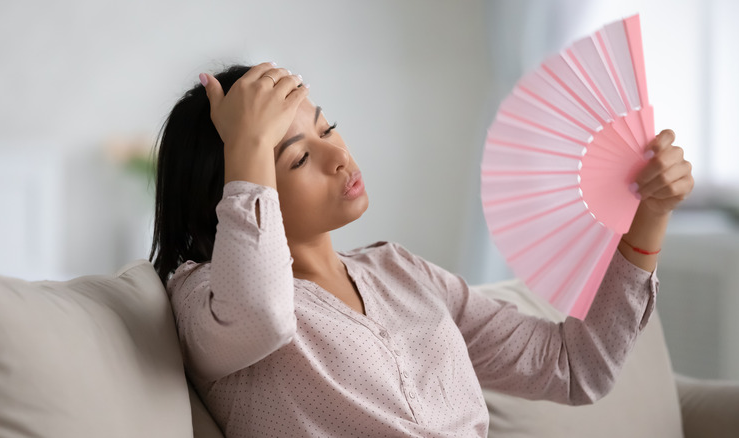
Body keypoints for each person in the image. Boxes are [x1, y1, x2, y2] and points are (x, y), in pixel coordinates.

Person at [148, 62, 694, 437]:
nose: (338, 156)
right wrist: (245, 144)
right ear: (238, 183)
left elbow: (577, 368)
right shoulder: (208, 302)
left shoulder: (400, 271)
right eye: (294, 158)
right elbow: (260, 314)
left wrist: (651, 214)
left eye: (328, 128)